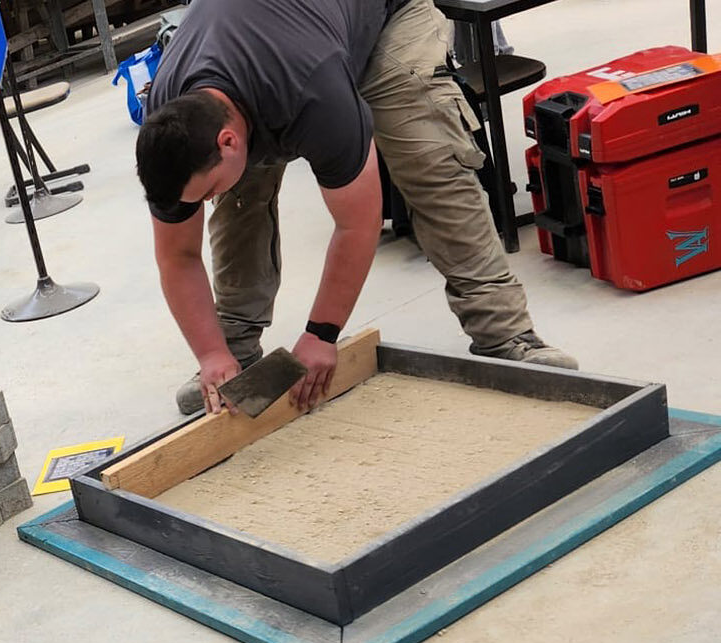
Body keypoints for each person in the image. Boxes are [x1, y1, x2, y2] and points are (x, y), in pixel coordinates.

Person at [134, 0, 578, 416]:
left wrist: (322, 334)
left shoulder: (311, 89)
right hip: (284, 41)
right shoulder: (170, 120)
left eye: (206, 188)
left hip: (384, 19)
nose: (206, 200)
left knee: (430, 158)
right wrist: (209, 352)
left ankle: (506, 335)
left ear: (227, 141)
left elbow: (357, 223)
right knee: (239, 198)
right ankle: (232, 353)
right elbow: (177, 254)